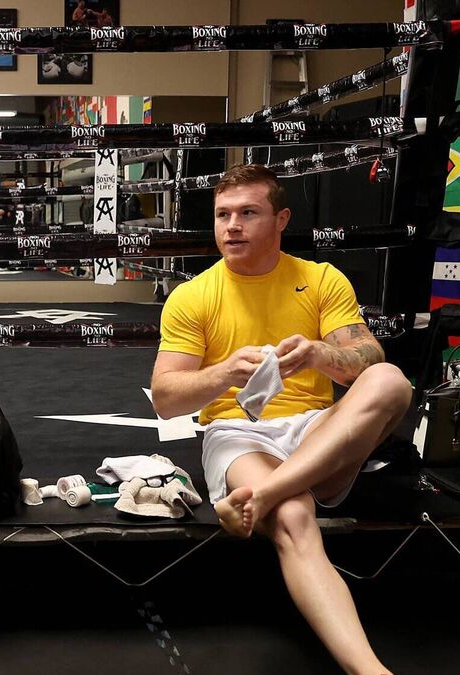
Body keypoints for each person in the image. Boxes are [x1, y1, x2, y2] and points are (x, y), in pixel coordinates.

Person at [150, 164, 410, 675]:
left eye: (248, 213)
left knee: (390, 380)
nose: (232, 226)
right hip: (239, 434)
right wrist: (225, 372)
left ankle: (260, 497)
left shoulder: (320, 279)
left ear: (281, 219)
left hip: (315, 428)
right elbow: (166, 399)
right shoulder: (193, 295)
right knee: (293, 517)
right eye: (223, 215)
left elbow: (368, 357)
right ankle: (370, 671)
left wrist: (319, 354)